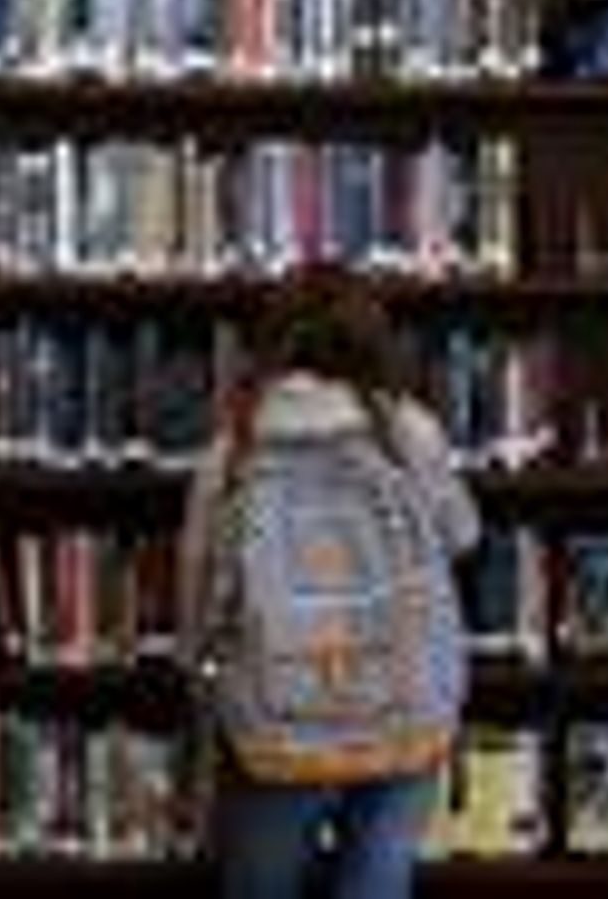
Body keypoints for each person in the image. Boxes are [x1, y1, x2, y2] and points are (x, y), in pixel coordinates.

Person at [177, 264, 479, 899]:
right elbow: (463, 536)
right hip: (404, 704)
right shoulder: (409, 432)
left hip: (277, 716)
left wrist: (200, 671)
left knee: (263, 885)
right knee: (378, 879)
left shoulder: (233, 450)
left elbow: (200, 589)